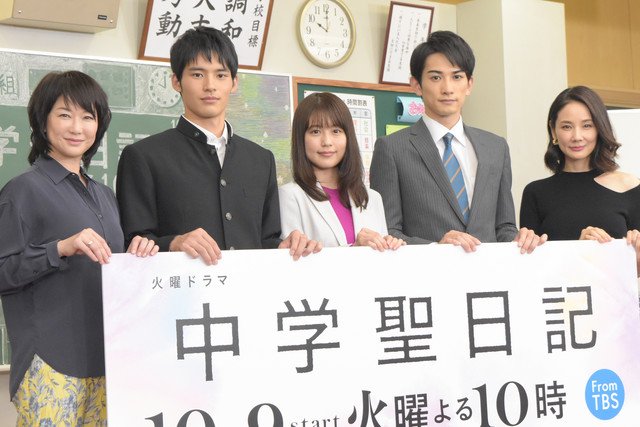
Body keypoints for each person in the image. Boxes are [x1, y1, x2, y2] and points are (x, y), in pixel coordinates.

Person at [0, 71, 158, 425]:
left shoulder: (105, 195)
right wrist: (59, 248)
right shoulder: (23, 190)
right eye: (64, 114)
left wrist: (139, 255)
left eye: (88, 117)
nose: (77, 127)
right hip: (50, 364)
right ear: (42, 121)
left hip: (110, 361)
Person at [117, 26, 320, 264]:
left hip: (247, 286)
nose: (210, 86)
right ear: (176, 81)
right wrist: (174, 243)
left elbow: (266, 239)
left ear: (234, 83)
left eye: (221, 75)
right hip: (183, 287)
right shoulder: (143, 156)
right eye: (197, 75)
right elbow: (132, 242)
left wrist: (285, 245)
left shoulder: (261, 159)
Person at [369, 30, 546, 253]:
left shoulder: (496, 147)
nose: (447, 88)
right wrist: (437, 248)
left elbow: (504, 227)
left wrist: (519, 238)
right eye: (435, 77)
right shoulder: (392, 149)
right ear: (416, 85)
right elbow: (388, 232)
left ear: (469, 84)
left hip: (489, 273)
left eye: (457, 77)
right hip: (427, 273)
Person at [520, 86, 640, 273]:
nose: (577, 136)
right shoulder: (535, 193)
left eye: (587, 125)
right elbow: (530, 271)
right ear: (553, 131)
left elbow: (634, 271)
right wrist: (580, 251)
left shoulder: (630, 187)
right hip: (559, 291)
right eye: (567, 127)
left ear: (599, 128)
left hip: (618, 292)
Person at [279, 92, 404, 250]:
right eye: (315, 131)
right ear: (300, 139)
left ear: (348, 137)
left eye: (336, 131)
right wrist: (355, 248)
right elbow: (293, 259)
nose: (327, 142)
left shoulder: (372, 198)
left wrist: (390, 247)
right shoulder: (289, 196)